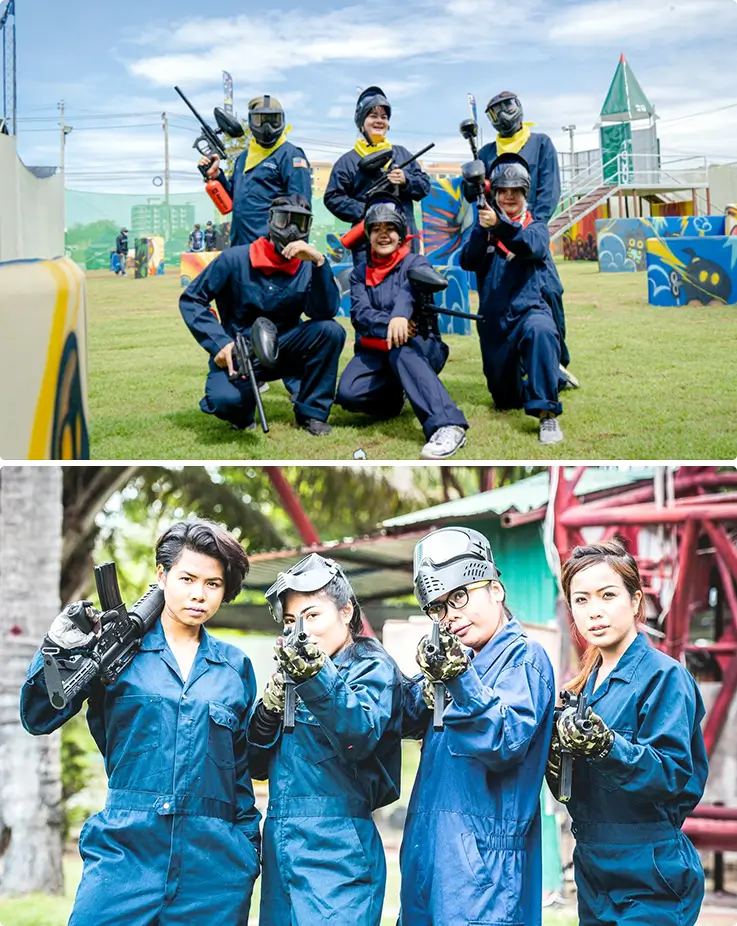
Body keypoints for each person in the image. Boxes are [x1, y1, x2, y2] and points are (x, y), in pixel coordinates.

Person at [20, 519, 261, 925]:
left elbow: (240, 773)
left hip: (214, 870)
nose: (199, 594)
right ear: (162, 576)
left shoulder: (234, 668)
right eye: (187, 579)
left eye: (213, 584)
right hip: (125, 854)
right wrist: (56, 651)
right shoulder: (114, 653)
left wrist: (246, 851)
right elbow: (38, 716)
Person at [399, 526, 555, 926]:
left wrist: (459, 679)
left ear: (496, 590)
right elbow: (395, 715)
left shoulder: (525, 660)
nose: (451, 615)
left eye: (459, 596)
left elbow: (504, 739)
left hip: (483, 880)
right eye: (439, 607)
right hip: (427, 863)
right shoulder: (453, 667)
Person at [546, 541, 708, 926]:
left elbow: (671, 775)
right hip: (593, 868)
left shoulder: (664, 677)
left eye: (608, 595)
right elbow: (572, 790)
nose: (594, 611)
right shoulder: (581, 690)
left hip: (650, 869)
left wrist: (606, 746)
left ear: (635, 601)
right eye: (581, 600)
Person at [247, 553, 403, 925]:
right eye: (290, 621)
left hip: (338, 846)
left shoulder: (372, 666)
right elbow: (254, 764)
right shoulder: (291, 674)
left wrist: (315, 676)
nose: (300, 630)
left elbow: (359, 735)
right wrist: (268, 709)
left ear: (346, 612)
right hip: (281, 840)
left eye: (312, 615)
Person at [179, 194, 345, 436]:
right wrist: (220, 343)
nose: (291, 230)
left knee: (330, 331)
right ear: (270, 221)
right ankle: (243, 410)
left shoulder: (308, 265)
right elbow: (192, 299)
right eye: (283, 220)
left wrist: (319, 263)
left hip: (286, 348)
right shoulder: (235, 259)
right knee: (227, 402)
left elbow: (324, 312)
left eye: (300, 223)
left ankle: (312, 413)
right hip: (240, 353)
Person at [336, 195, 468, 459]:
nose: (383, 235)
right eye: (376, 229)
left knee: (401, 351)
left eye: (390, 228)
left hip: (420, 346)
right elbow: (360, 314)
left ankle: (448, 425)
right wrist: (390, 323)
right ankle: (398, 397)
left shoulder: (416, 263)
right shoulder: (359, 273)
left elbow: (410, 290)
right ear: (369, 235)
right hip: (375, 349)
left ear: (400, 235)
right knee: (349, 393)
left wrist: (400, 315)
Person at [460, 153, 565, 445]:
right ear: (494, 193)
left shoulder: (535, 226)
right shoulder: (483, 227)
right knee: (505, 400)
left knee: (541, 330)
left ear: (524, 194)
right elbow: (468, 261)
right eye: (503, 190)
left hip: (529, 311)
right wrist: (482, 229)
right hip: (494, 322)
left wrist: (500, 226)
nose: (509, 197)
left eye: (515, 191)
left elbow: (530, 246)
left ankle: (547, 413)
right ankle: (551, 375)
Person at [478, 91, 577, 384]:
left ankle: (555, 362)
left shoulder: (541, 143)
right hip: (495, 240)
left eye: (506, 106)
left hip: (530, 234)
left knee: (551, 293)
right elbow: (481, 195)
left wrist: (531, 229)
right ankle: (511, 367)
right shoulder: (485, 153)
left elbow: (549, 191)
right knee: (496, 302)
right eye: (494, 112)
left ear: (518, 107)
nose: (502, 115)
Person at [325, 86, 431, 263]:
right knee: (368, 280)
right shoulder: (348, 161)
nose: (379, 121)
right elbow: (332, 197)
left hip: (404, 241)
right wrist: (367, 210)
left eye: (384, 117)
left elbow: (424, 185)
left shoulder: (402, 154)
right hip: (366, 245)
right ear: (361, 122)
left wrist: (406, 180)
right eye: (373, 116)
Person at [200, 94, 312, 248]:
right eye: (260, 120)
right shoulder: (243, 158)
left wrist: (292, 250)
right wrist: (217, 175)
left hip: (271, 250)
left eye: (273, 120)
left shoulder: (290, 155)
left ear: (282, 120)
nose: (267, 127)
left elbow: (301, 208)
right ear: (251, 121)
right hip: (240, 244)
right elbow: (234, 198)